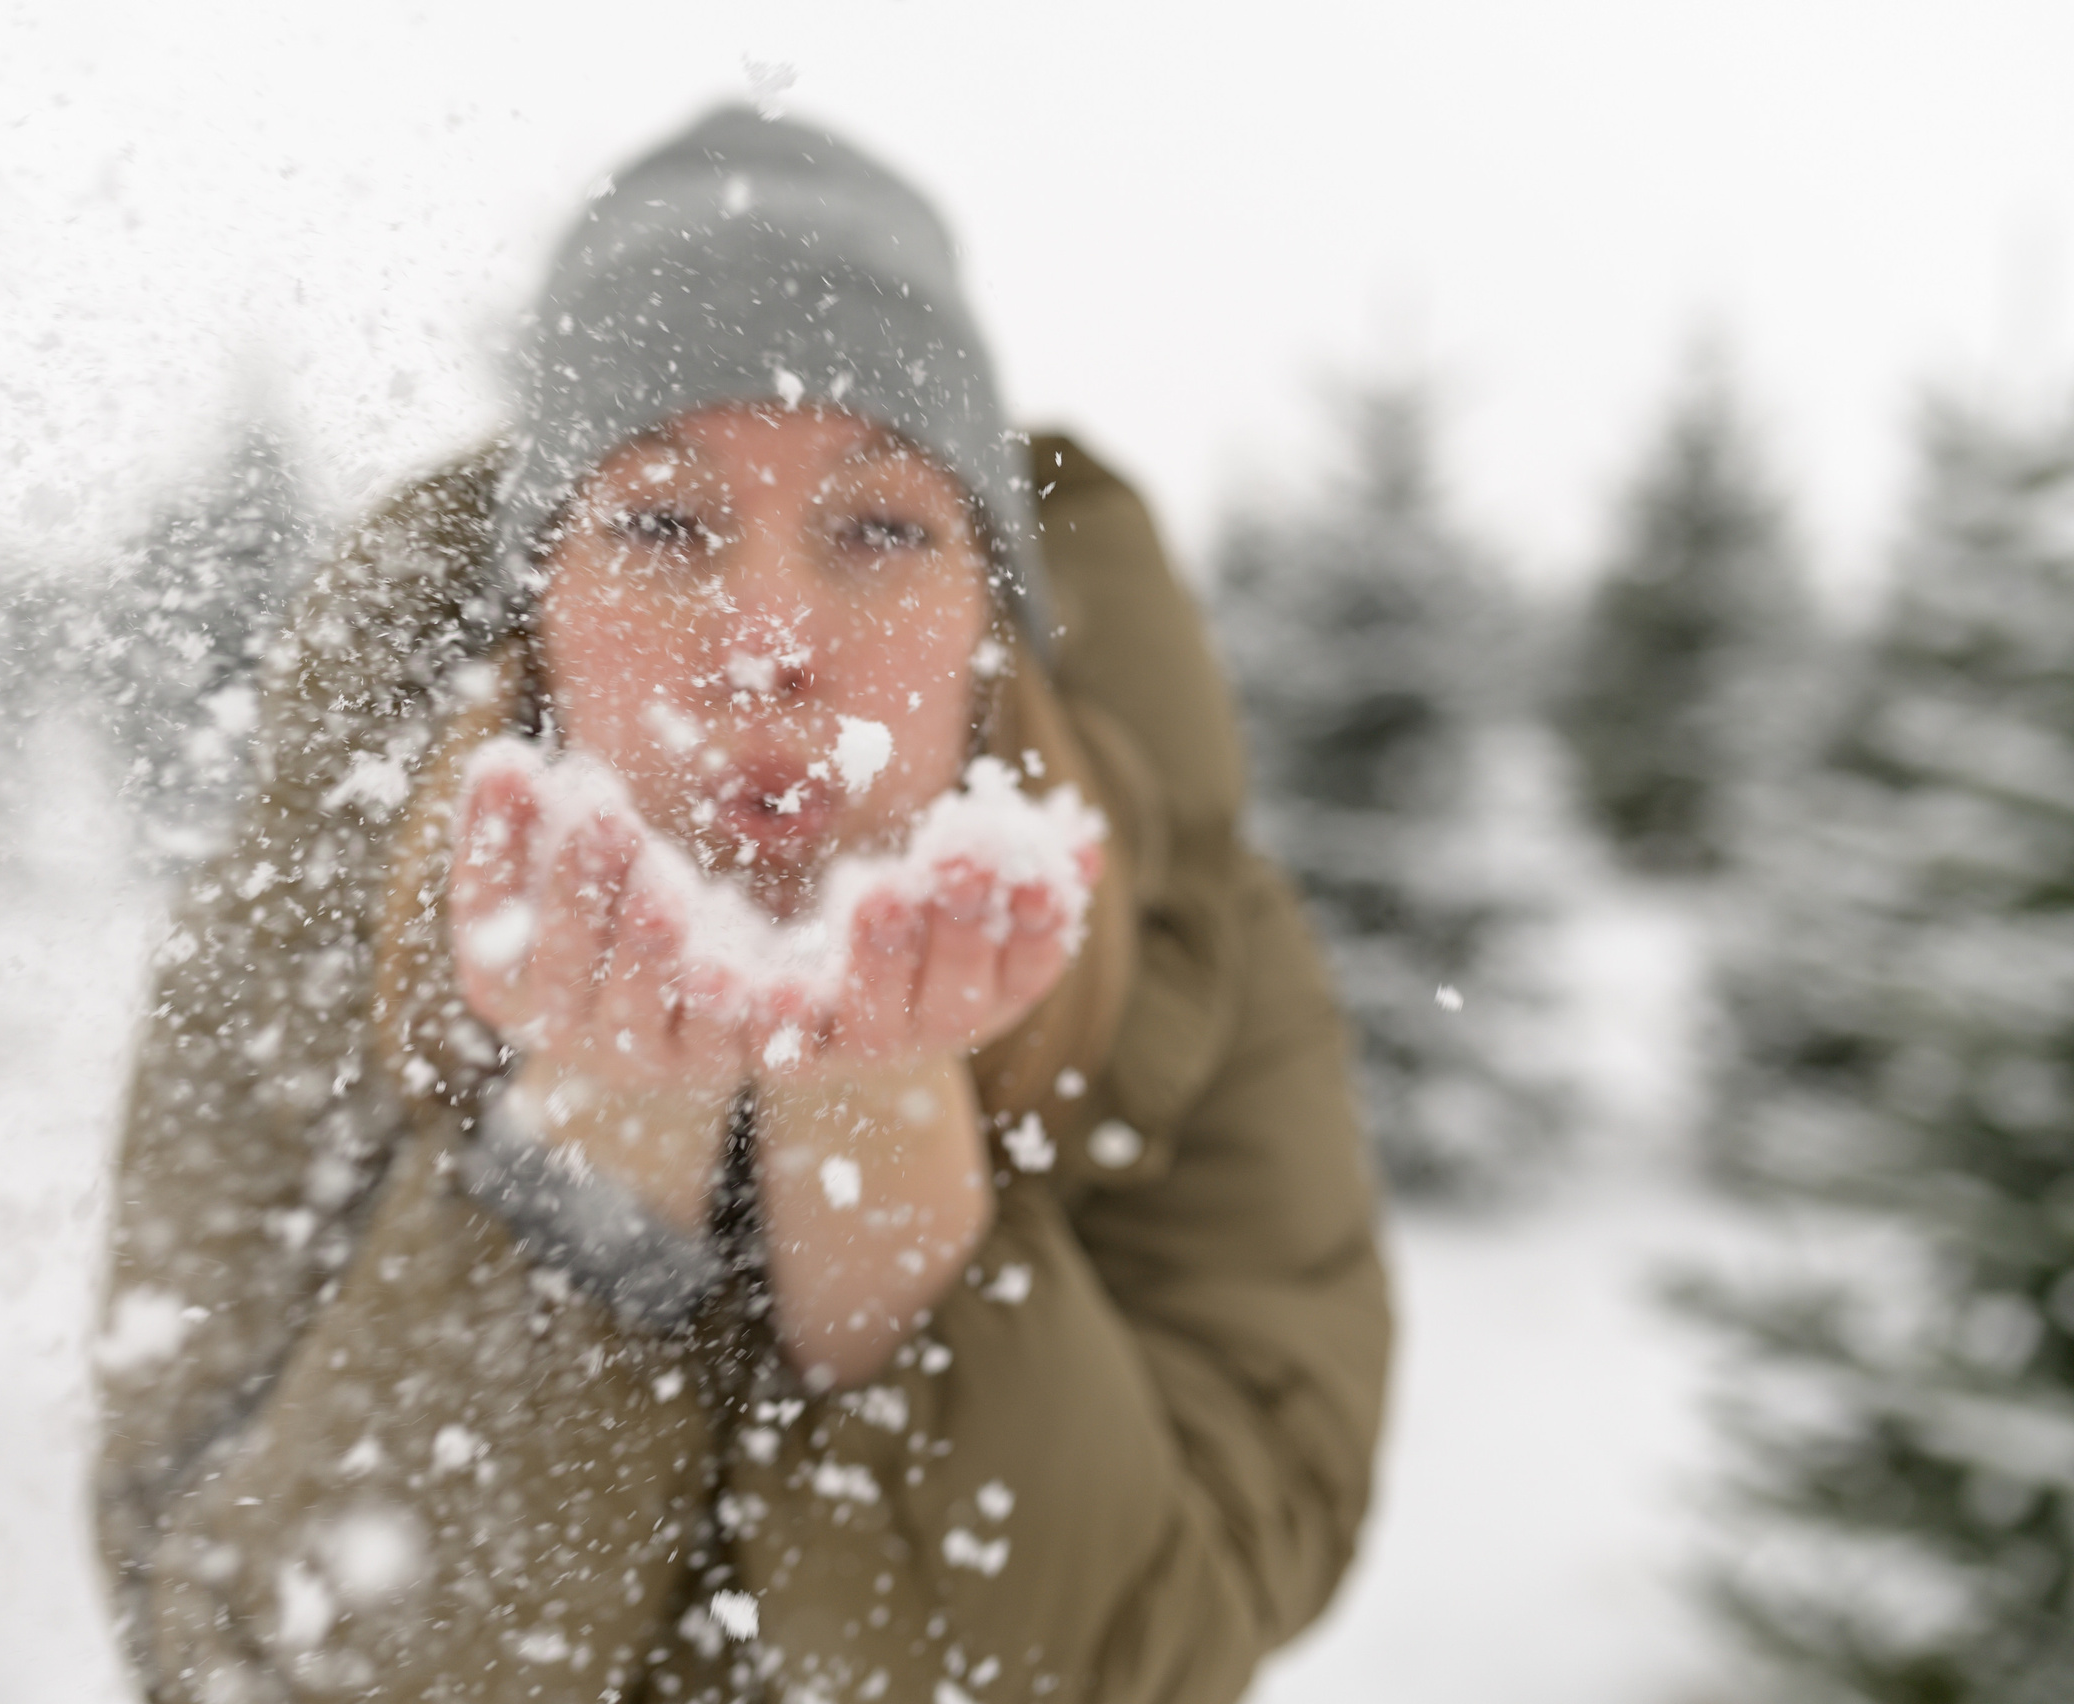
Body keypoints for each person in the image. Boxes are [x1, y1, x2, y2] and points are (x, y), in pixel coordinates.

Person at [93, 106, 1391, 1704]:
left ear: (990, 623)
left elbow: (1168, 1647)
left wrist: (882, 1152)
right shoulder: (305, 916)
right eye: (662, 522)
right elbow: (232, 1662)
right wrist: (586, 1177)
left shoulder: (1194, 930)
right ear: (537, 620)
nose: (771, 636)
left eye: (880, 526)